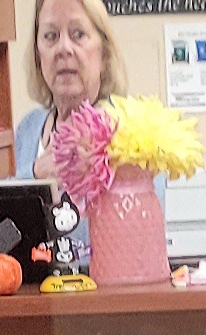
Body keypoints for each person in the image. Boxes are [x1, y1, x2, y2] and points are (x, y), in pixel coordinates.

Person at [13, 0, 127, 263]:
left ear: (104, 53)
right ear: (37, 55)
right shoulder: (29, 128)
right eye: (51, 36)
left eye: (78, 34)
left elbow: (137, 241)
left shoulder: (127, 127)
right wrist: (34, 176)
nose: (63, 49)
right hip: (35, 294)